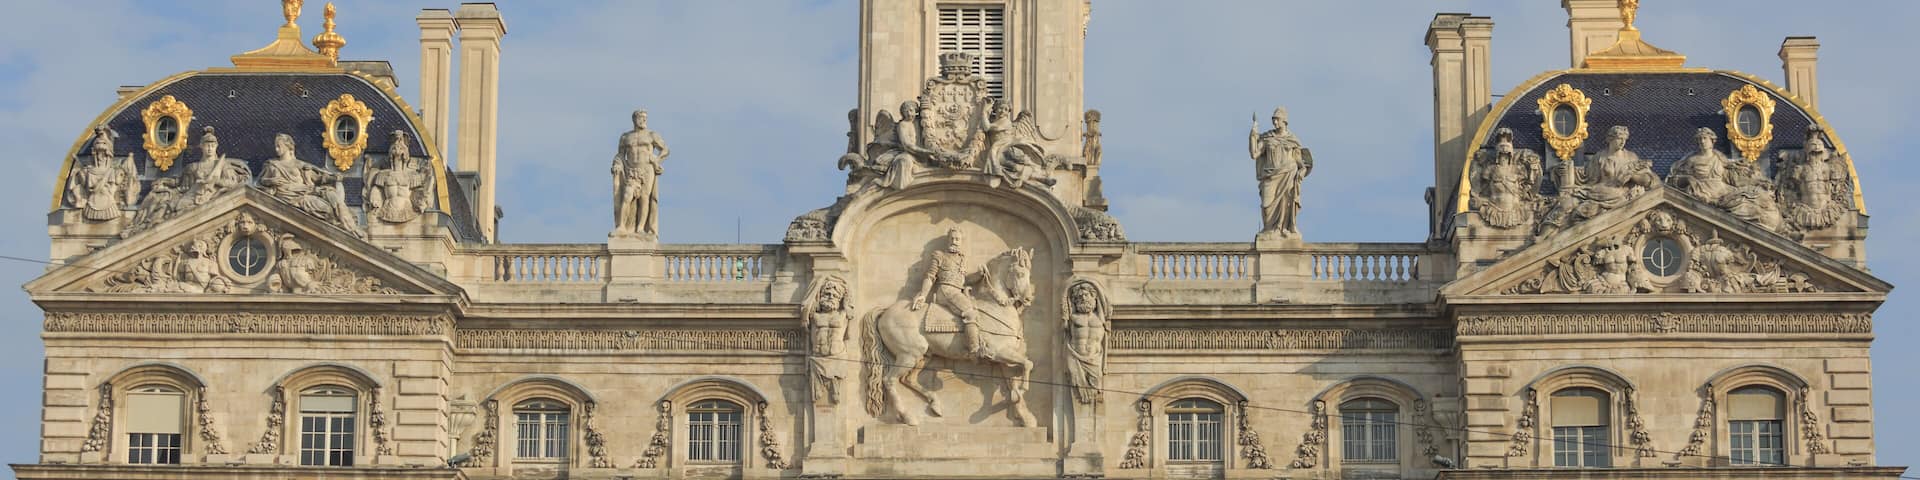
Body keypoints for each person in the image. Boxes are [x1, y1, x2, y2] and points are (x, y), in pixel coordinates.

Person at [911, 228, 987, 358]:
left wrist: (979, 275)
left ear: (961, 242)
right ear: (948, 240)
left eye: (957, 239)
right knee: (970, 312)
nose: (954, 241)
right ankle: (974, 349)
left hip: (958, 292)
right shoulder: (939, 256)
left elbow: (965, 279)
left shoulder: (962, 259)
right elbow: (930, 277)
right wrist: (923, 295)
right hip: (945, 291)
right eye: (952, 238)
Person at [1249, 107, 1311, 238]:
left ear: (1284, 121)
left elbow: (1300, 162)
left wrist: (1302, 170)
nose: (1275, 123)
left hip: (1288, 174)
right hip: (1270, 176)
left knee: (1287, 202)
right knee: (1266, 206)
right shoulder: (1267, 138)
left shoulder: (1292, 140)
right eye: (1273, 120)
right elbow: (1254, 154)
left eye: (1277, 120)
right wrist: (1252, 136)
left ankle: (1282, 228)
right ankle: (1268, 230)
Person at [613, 109, 670, 237]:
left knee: (645, 198)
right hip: (631, 170)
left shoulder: (651, 135)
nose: (644, 120)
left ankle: (640, 228)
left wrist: (657, 159)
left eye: (645, 118)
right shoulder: (625, 137)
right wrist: (617, 164)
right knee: (627, 195)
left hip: (647, 169)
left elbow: (665, 150)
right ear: (634, 119)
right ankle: (621, 226)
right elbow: (620, 156)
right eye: (641, 117)